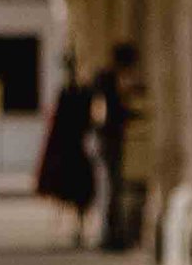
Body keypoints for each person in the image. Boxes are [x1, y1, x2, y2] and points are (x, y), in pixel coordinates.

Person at [85, 40, 143, 254]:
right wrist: (130, 114)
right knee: (109, 186)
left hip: (104, 138)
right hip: (105, 139)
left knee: (110, 186)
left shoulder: (108, 79)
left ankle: (111, 232)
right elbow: (106, 112)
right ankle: (108, 234)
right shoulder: (107, 80)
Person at [34, 50, 97, 244]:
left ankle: (76, 225)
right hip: (74, 147)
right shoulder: (79, 93)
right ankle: (77, 225)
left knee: (76, 188)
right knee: (76, 188)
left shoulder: (72, 94)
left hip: (72, 147)